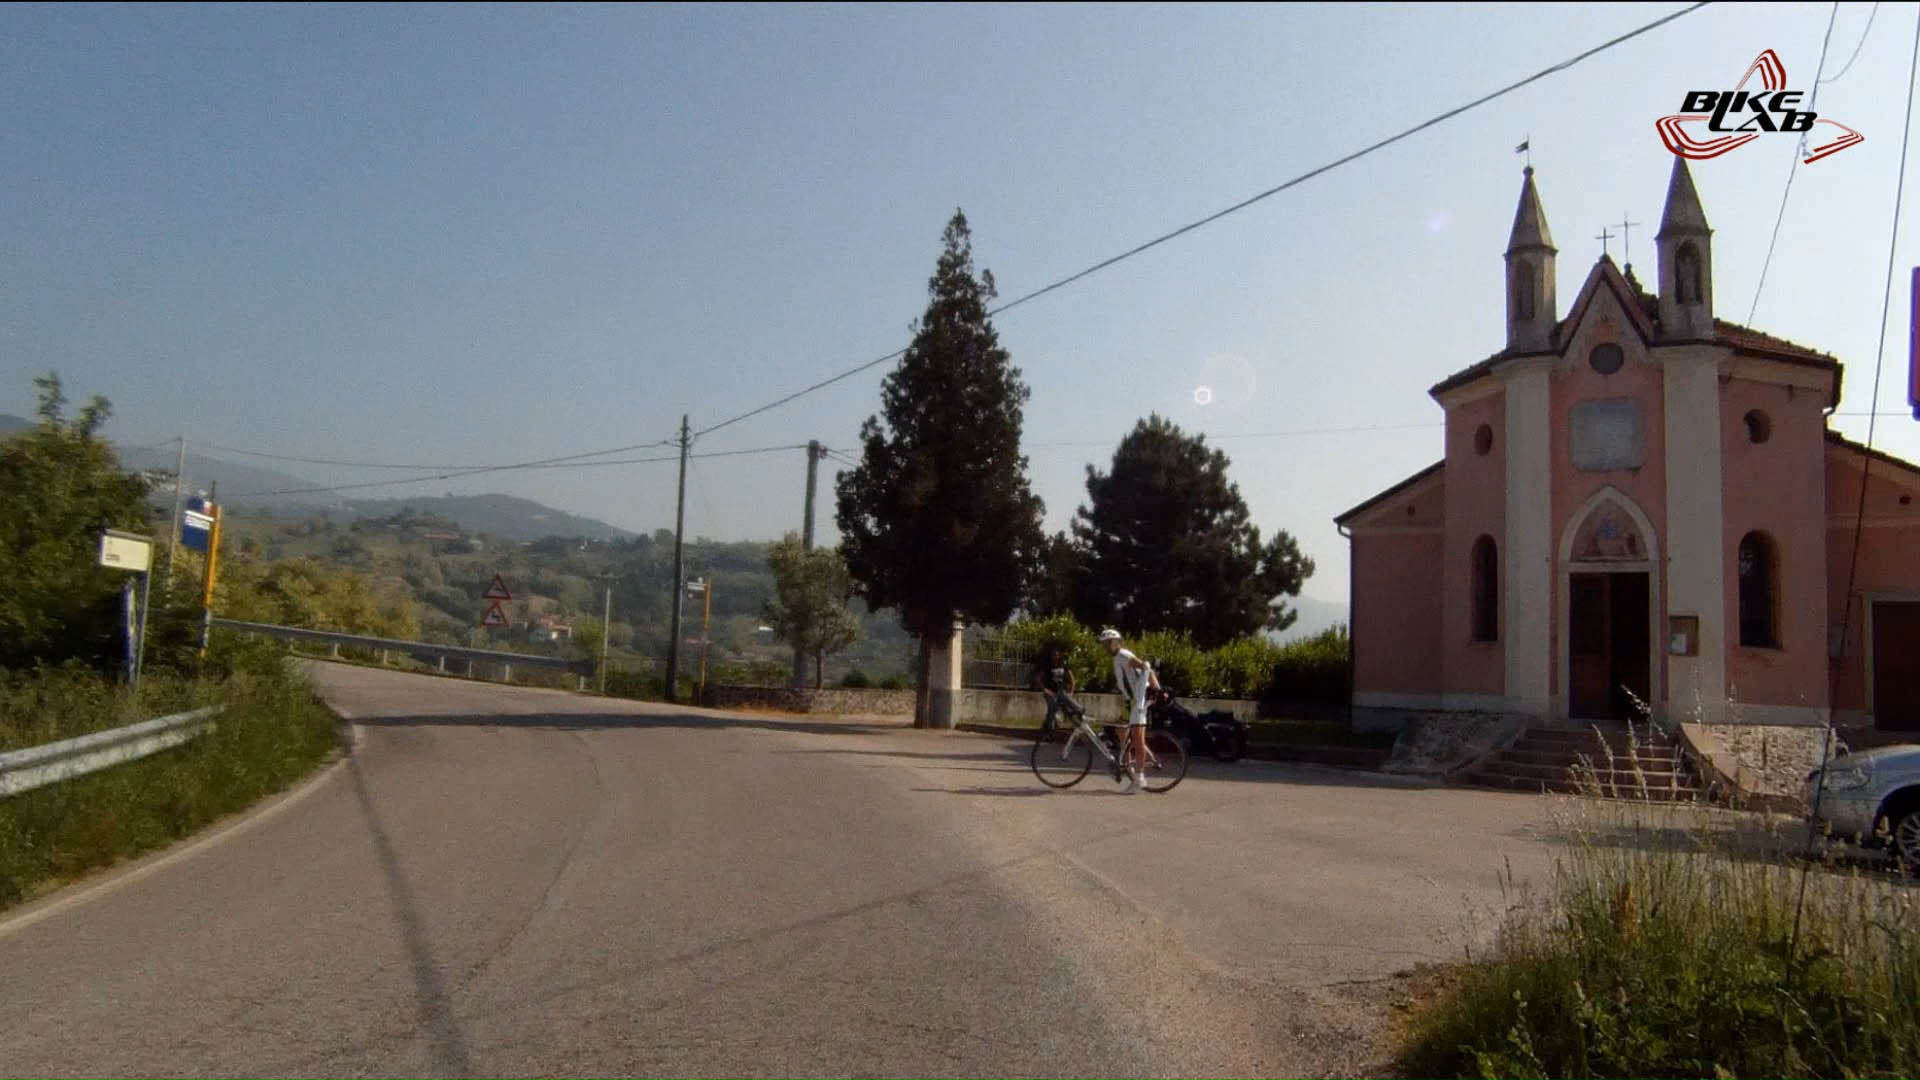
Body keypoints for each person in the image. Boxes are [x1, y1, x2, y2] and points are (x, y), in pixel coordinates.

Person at [1098, 627, 1159, 792]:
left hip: (1138, 701)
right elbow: (1126, 680)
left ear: (1117, 642)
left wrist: (1155, 688)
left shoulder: (1124, 655)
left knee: (1138, 738)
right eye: (1104, 644)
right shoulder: (1117, 659)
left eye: (1109, 643)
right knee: (1120, 730)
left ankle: (1139, 778)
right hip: (1129, 701)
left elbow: (1146, 667)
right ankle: (1129, 766)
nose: (1106, 647)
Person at [1030, 645, 1081, 733]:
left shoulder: (1064, 665)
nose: (1055, 657)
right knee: (1053, 707)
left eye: (1057, 655)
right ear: (1051, 656)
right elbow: (1037, 679)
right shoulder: (1047, 666)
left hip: (1061, 690)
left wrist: (1071, 691)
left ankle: (1079, 710)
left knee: (1065, 701)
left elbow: (1072, 679)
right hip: (1051, 691)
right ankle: (1051, 729)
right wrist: (1045, 690)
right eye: (1054, 655)